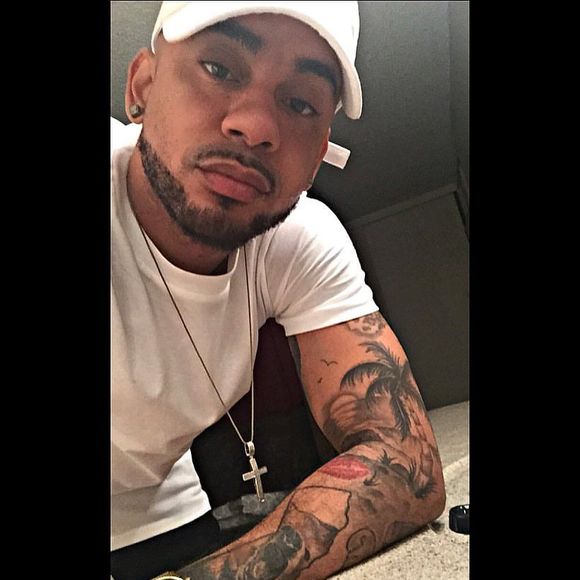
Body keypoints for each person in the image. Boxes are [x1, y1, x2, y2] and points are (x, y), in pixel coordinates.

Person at [111, 2, 446, 579]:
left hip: (160, 516)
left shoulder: (298, 238)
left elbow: (404, 462)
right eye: (219, 69)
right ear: (142, 85)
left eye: (300, 103)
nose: (257, 127)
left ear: (318, 154)